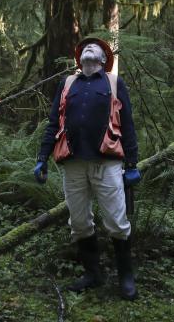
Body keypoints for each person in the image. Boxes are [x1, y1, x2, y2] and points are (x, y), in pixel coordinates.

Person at [33, 37, 141, 300]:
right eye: (84, 48)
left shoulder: (114, 83)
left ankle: (126, 277)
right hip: (73, 164)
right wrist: (42, 157)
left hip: (107, 162)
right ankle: (93, 274)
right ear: (79, 59)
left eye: (96, 48)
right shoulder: (67, 83)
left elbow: (126, 123)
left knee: (117, 221)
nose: (89, 49)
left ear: (104, 60)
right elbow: (52, 122)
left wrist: (132, 164)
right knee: (79, 222)